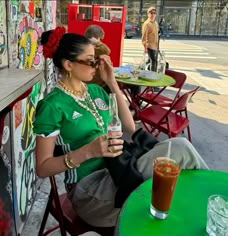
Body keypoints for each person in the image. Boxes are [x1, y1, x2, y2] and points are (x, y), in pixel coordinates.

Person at [33, 26, 208, 228]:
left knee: (181, 147)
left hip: (120, 170)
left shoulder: (96, 90)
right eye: (90, 60)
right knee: (168, 180)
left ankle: (215, 206)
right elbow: (42, 168)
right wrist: (87, 151)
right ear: (68, 64)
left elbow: (129, 127)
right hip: (89, 190)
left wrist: (112, 82)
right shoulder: (52, 106)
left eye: (96, 59)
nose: (96, 65)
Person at [84, 24, 111, 93]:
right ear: (95, 38)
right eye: (99, 39)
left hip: (94, 81)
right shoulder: (90, 48)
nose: (100, 41)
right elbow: (106, 50)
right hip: (95, 84)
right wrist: (97, 42)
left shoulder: (85, 45)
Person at [142, 6, 159, 71]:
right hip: (149, 46)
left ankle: (142, 70)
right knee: (154, 61)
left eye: (154, 13)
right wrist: (145, 47)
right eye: (151, 13)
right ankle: (153, 75)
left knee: (150, 61)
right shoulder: (146, 24)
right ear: (148, 14)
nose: (153, 14)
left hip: (155, 46)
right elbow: (144, 37)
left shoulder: (155, 23)